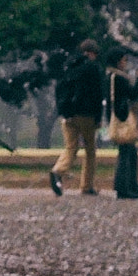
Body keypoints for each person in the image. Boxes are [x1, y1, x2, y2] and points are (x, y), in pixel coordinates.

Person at [49, 40, 107, 197]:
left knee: (71, 147)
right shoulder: (92, 68)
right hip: (86, 113)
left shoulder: (68, 66)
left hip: (68, 113)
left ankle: (57, 170)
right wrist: (98, 116)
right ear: (90, 53)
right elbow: (97, 94)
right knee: (90, 150)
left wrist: (64, 110)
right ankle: (86, 186)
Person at [105, 47, 138, 200]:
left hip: (119, 115)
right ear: (118, 61)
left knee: (130, 152)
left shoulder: (110, 76)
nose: (126, 63)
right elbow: (132, 94)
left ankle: (132, 185)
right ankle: (124, 187)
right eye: (124, 60)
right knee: (126, 153)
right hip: (123, 117)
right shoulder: (118, 77)